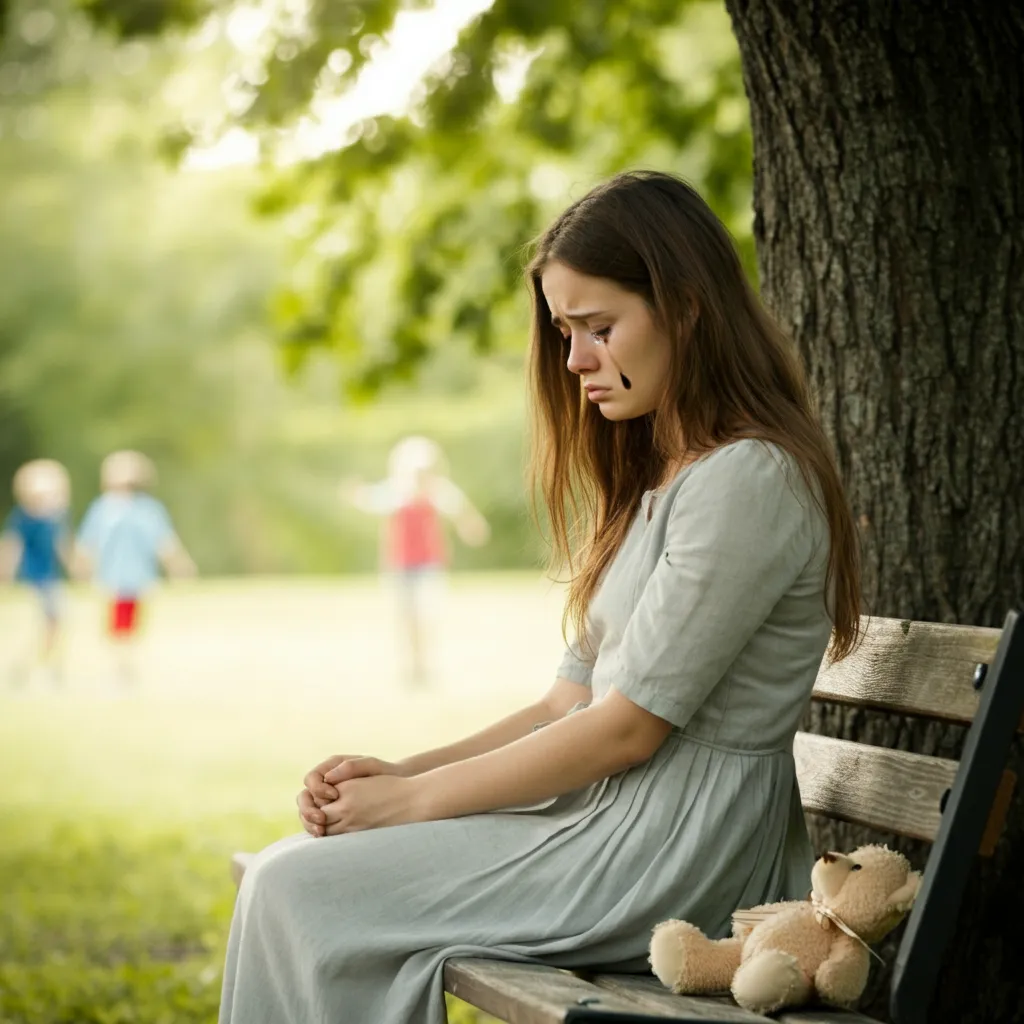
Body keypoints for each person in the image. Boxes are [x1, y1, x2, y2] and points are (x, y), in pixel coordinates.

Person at [220, 170, 862, 1024]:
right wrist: (405, 771)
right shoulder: (661, 477)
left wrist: (407, 806)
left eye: (600, 328)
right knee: (287, 875)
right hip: (607, 827)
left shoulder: (750, 480)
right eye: (566, 332)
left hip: (672, 857)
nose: (575, 361)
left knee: (298, 888)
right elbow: (567, 699)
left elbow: (627, 728)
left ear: (689, 306)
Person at [341, 435, 490, 684]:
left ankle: (424, 665)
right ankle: (412, 665)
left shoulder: (439, 491)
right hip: (400, 565)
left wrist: (472, 528)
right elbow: (368, 499)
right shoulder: (396, 492)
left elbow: (462, 513)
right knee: (406, 616)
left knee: (424, 613)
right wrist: (355, 494)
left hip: (429, 564)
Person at [73, 450, 195, 684]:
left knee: (132, 621)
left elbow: (164, 541)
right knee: (116, 621)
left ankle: (125, 664)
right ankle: (120, 666)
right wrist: (81, 566)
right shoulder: (102, 508)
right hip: (111, 577)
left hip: (139, 576)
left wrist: (179, 565)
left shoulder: (148, 509)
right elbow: (88, 542)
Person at [0, 459, 72, 684]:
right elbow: (12, 545)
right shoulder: (23, 517)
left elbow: (63, 544)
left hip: (50, 578)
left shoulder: (55, 518)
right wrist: (6, 571)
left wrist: (74, 564)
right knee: (39, 622)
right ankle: (25, 665)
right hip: (32, 578)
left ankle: (48, 663)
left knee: (55, 621)